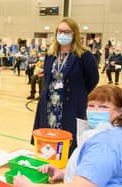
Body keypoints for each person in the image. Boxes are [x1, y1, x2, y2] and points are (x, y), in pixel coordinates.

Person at [14, 85, 122, 187]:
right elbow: (104, 172)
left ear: (120, 111)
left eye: (103, 107)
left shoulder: (106, 143)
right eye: (91, 105)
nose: (95, 111)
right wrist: (65, 173)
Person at [31, 17, 99, 155]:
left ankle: (65, 167)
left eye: (67, 32)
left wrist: (79, 93)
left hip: (71, 104)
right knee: (48, 137)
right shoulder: (51, 55)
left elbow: (93, 79)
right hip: (50, 104)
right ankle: (49, 161)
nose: (62, 34)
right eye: (60, 31)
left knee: (69, 140)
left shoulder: (84, 55)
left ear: (74, 34)